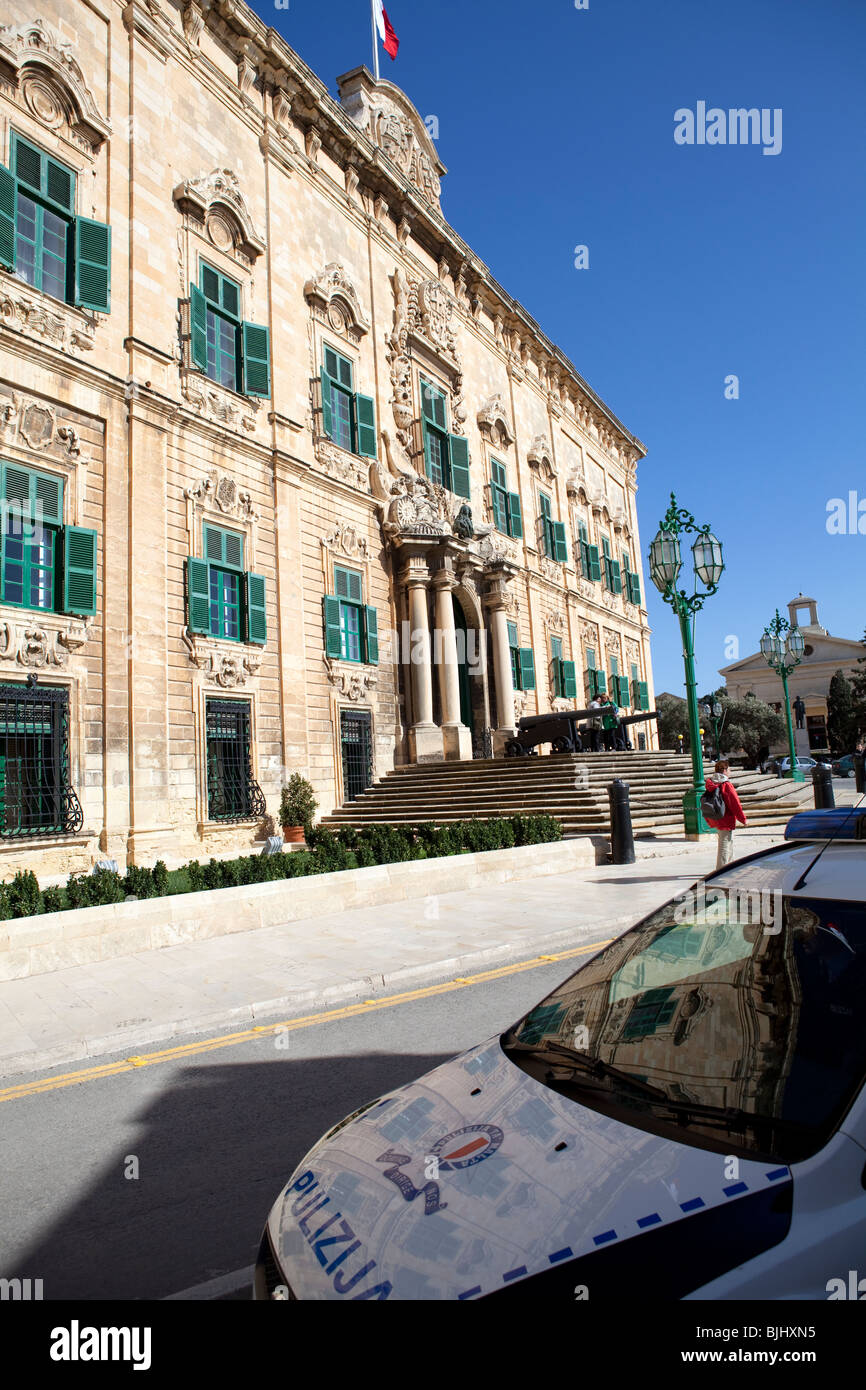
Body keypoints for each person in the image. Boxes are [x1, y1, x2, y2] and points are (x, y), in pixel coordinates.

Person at [702, 759, 747, 868]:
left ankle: (730, 866)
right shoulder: (726, 785)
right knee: (725, 845)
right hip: (725, 818)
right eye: (729, 769)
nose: (730, 771)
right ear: (725, 770)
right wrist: (743, 819)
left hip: (716, 816)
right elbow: (734, 803)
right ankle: (721, 869)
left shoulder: (712, 783)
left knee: (727, 841)